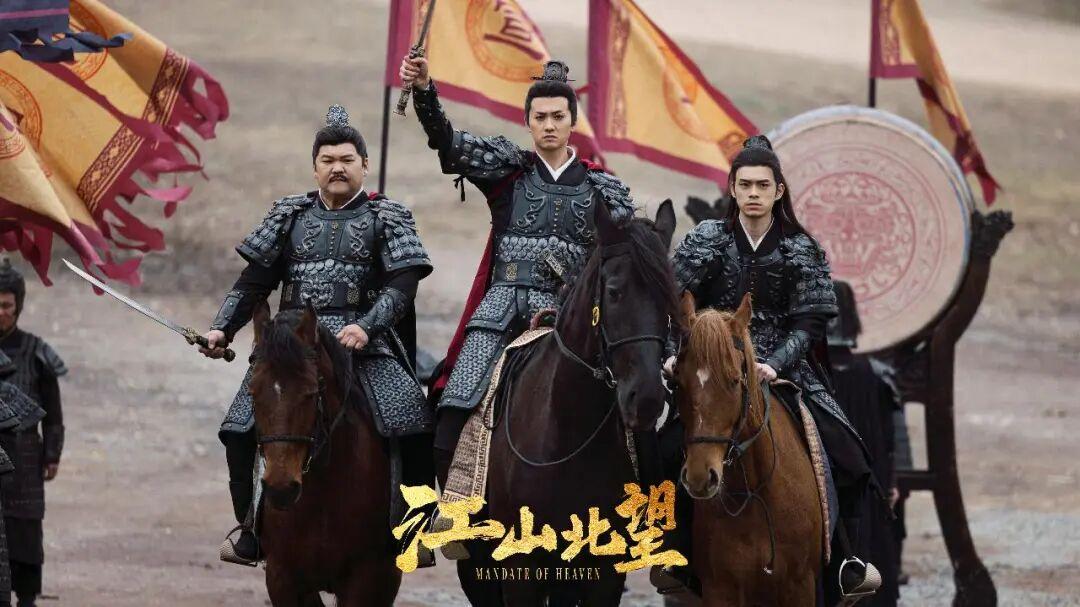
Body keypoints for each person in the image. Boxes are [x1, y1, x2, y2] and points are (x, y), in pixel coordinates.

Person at [200, 106, 435, 566]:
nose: (337, 168)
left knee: (413, 420)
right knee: (238, 428)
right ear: (315, 168)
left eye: (346, 159)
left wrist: (366, 326)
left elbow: (403, 284)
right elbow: (254, 281)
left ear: (364, 164)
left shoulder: (388, 216)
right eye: (328, 160)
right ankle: (250, 530)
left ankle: (414, 528)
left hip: (363, 341)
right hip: (291, 347)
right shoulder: (289, 214)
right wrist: (221, 328)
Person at [398, 56, 637, 484]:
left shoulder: (605, 189)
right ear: (527, 122)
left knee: (634, 419)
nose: (549, 125)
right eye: (540, 117)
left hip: (571, 319)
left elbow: (628, 264)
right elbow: (447, 140)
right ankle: (454, 510)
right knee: (451, 413)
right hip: (500, 312)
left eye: (557, 117)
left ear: (572, 121)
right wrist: (424, 90)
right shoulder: (507, 171)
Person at [667, 135, 881, 603]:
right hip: (712, 366)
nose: (753, 193)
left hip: (783, 369)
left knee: (849, 455)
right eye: (745, 185)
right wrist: (672, 352)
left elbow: (810, 322)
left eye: (762, 185)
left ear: (778, 191)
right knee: (660, 445)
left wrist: (774, 363)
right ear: (733, 188)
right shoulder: (706, 240)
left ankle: (847, 561)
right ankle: (675, 554)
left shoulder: (800, 247)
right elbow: (675, 305)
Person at [828, 280, 902, 606]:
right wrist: (891, 482)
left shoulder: (802, 375)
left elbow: (888, 440)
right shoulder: (875, 375)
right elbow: (890, 441)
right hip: (867, 487)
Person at [0, 260, 66, 607]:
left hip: (25, 461)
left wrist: (52, 454)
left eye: (6, 305)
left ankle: (26, 599)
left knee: (24, 535)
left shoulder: (36, 352)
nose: (0, 313)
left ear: (18, 306)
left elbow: (53, 412)